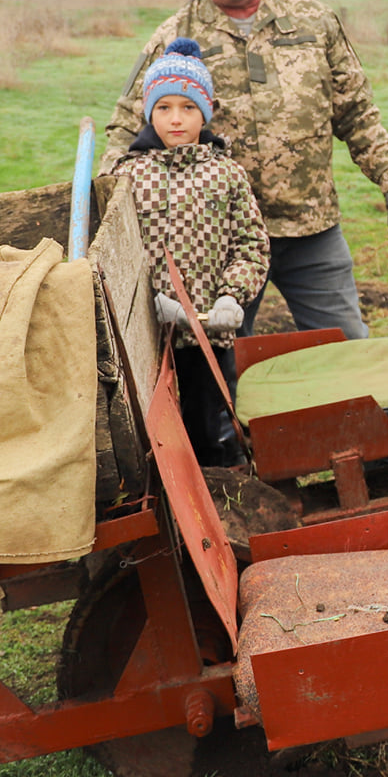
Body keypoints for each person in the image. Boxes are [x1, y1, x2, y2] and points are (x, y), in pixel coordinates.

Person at [104, 0, 388, 340]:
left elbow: (356, 111)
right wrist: (109, 210)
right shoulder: (174, 39)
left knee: (348, 348)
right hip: (213, 239)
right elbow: (125, 131)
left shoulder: (315, 21)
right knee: (216, 368)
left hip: (311, 230)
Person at [111, 38, 270, 467]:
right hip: (147, 336)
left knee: (209, 426)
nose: (176, 119)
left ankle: (221, 497)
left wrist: (231, 297)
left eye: (188, 108)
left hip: (207, 334)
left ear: (206, 111)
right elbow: (114, 254)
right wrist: (149, 303)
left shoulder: (227, 174)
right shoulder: (127, 177)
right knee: (156, 433)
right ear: (148, 112)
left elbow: (251, 245)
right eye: (164, 109)